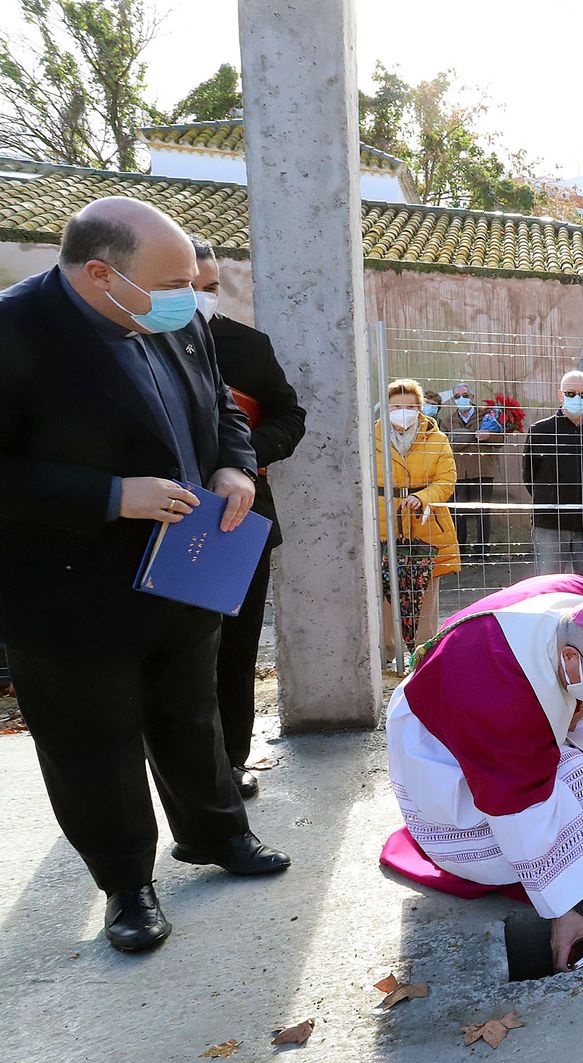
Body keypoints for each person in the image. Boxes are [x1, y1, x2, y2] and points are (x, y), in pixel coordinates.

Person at [0, 196, 290, 954]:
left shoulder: (178, 317)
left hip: (184, 566)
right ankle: (127, 882)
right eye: (172, 282)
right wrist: (109, 497)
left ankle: (217, 834)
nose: (190, 298)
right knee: (94, 741)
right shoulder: (13, 332)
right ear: (101, 274)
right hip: (67, 584)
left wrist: (235, 465)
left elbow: (222, 405)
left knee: (191, 713)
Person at [382, 576, 583, 974]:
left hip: (489, 702)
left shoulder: (579, 603)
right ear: (569, 658)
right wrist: (563, 912)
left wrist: (580, 701)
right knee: (576, 775)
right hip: (439, 755)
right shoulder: (503, 702)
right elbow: (519, 808)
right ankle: (572, 869)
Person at [192, 240, 306, 799]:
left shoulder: (246, 346)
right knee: (168, 647)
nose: (200, 297)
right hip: (152, 515)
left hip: (236, 517)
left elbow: (290, 415)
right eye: (187, 283)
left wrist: (244, 456)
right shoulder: (126, 343)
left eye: (210, 287)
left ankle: (231, 758)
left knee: (233, 645)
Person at [375, 379, 461, 657]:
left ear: (420, 407)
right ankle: (389, 654)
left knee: (425, 593)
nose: (403, 411)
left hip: (427, 524)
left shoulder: (436, 438)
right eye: (397, 406)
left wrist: (422, 497)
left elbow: (447, 480)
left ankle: (423, 654)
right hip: (384, 524)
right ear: (386, 408)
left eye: (410, 406)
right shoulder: (371, 437)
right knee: (386, 589)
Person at [524, 370, 583, 583]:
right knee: (547, 587)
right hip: (549, 525)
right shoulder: (539, 431)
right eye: (571, 393)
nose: (577, 398)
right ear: (560, 395)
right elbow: (529, 477)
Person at [441, 383, 506, 555]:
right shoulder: (448, 420)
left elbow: (500, 441)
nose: (462, 399)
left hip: (483, 470)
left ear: (472, 397)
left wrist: (489, 436)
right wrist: (463, 438)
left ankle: (482, 548)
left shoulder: (486, 415)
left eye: (465, 395)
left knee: (483, 510)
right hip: (459, 472)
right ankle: (459, 549)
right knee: (458, 511)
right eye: (457, 396)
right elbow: (445, 444)